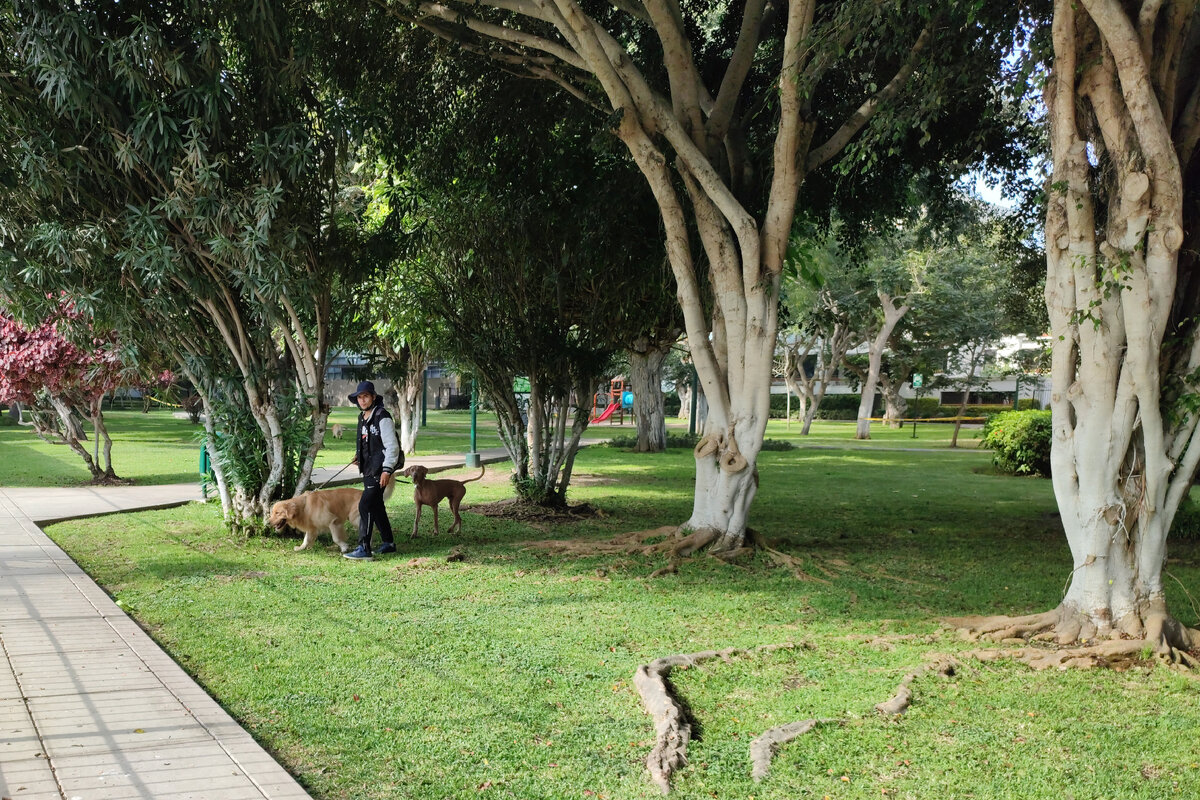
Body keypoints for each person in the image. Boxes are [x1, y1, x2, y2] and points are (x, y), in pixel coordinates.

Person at [343, 380, 402, 561]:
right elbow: (365, 440)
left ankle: (364, 548)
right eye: (359, 397)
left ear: (373, 397)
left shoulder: (382, 416)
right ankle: (388, 543)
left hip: (380, 469)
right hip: (368, 468)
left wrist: (387, 470)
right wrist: (358, 456)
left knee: (365, 505)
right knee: (376, 506)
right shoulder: (363, 417)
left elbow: (392, 446)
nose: (362, 400)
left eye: (365, 396)